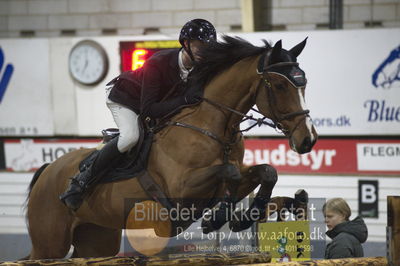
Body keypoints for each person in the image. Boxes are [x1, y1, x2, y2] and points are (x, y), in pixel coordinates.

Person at [60, 19, 217, 211]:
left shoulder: (200, 69)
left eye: (208, 47)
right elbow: (149, 110)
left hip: (151, 103)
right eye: (199, 45)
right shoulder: (158, 63)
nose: (204, 51)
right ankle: (82, 180)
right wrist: (184, 101)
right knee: (130, 137)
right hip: (124, 98)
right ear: (185, 44)